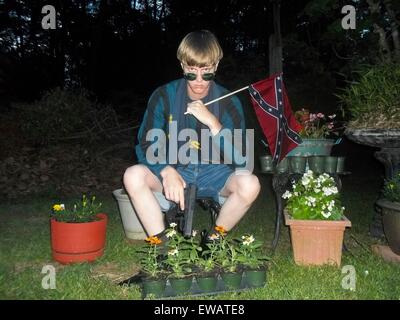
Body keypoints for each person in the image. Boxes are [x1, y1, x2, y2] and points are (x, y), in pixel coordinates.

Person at [123, 30, 260, 241]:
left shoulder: (229, 101)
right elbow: (145, 143)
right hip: (176, 171)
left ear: (215, 66)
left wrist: (213, 123)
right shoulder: (163, 96)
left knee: (250, 184)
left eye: (206, 72)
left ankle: (213, 241)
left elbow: (241, 158)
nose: (198, 80)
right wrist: (165, 170)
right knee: (132, 175)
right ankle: (161, 245)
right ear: (182, 66)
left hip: (217, 174)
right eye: (191, 72)